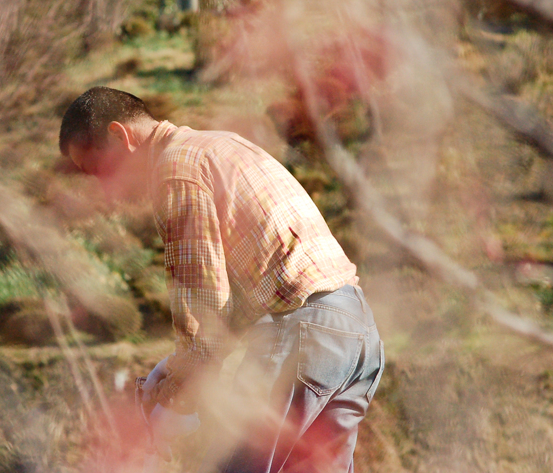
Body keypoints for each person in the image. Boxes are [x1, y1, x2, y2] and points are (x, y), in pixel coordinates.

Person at [59, 87, 384, 473]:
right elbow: (247, 292)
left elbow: (204, 303)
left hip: (304, 337)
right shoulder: (222, 145)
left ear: (119, 135)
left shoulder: (175, 170)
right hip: (357, 333)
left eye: (96, 168)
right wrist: (175, 368)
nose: (102, 186)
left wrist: (172, 395)